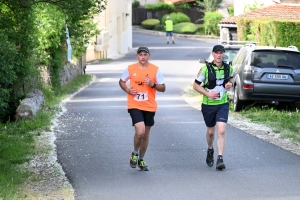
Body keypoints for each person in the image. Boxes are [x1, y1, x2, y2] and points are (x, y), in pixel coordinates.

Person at [119, 47, 166, 171]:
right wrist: (128, 90)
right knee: (140, 131)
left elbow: (163, 88)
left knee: (145, 134)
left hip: (149, 105)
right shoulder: (130, 68)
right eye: (141, 55)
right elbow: (122, 81)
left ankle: (141, 159)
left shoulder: (155, 70)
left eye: (145, 54)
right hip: (134, 104)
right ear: (137, 56)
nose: (143, 57)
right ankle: (135, 153)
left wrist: (153, 84)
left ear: (149, 56)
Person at [193, 44, 233, 170]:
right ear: (213, 54)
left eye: (221, 53)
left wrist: (229, 84)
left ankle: (220, 158)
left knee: (221, 130)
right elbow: (195, 85)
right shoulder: (205, 68)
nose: (219, 55)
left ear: (223, 54)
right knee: (211, 132)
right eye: (216, 53)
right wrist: (208, 94)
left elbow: (231, 80)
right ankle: (210, 150)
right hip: (208, 105)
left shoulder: (229, 68)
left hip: (223, 103)